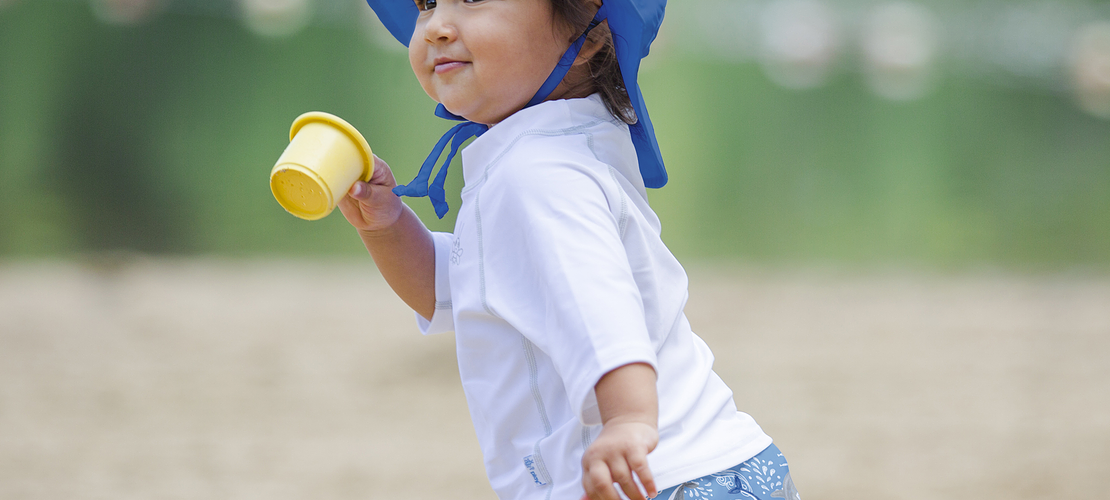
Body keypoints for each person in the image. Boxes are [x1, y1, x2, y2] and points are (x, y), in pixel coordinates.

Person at [340, 0, 801, 499]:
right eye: (427, 3)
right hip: (708, 469)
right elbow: (457, 291)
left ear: (588, 39)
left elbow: (601, 307)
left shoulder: (538, 175)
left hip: (662, 478)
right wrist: (387, 226)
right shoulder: (560, 145)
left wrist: (627, 421)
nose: (437, 28)